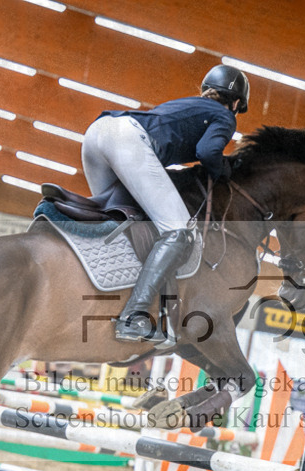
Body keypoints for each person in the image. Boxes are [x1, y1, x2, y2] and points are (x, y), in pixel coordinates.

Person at [82, 64, 250, 345]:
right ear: (235, 103)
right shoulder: (223, 115)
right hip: (127, 141)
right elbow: (207, 152)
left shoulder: (190, 104)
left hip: (97, 134)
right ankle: (133, 316)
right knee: (179, 232)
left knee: (121, 221)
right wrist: (223, 170)